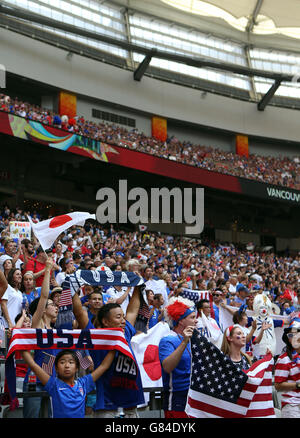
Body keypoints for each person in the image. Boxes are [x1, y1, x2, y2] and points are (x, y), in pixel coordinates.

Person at [71, 282, 145, 418]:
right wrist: (73, 286)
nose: (123, 320)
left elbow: (133, 310)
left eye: (123, 317)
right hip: (108, 407)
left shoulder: (125, 333)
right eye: (118, 317)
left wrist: (137, 286)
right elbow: (79, 313)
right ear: (105, 322)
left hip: (130, 406)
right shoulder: (96, 338)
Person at [21, 349, 115, 418]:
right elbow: (32, 364)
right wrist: (19, 341)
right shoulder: (53, 384)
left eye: (71, 362)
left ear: (77, 368)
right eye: (62, 362)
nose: (67, 366)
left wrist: (116, 345)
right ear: (56, 368)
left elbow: (104, 366)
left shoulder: (83, 383)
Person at [23, 257, 59, 418]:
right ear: (43, 309)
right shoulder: (37, 325)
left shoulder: (55, 329)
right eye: (52, 304)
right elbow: (44, 297)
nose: (55, 307)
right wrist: (47, 270)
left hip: (52, 380)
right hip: (35, 379)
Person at [158, 296, 196, 418]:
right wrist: (184, 342)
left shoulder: (193, 339)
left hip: (193, 397)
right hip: (176, 399)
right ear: (181, 321)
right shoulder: (168, 340)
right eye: (192, 317)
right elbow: (167, 367)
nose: (196, 321)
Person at [274, 318, 300, 418]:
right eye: (290, 335)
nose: (293, 338)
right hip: (292, 406)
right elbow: (278, 385)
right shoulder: (284, 359)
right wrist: (297, 385)